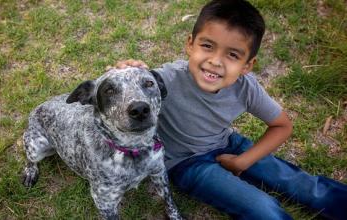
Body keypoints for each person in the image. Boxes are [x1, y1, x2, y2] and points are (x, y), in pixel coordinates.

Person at [115, 0, 347, 219]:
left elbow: (282, 126)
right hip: (186, 163)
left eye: (232, 55)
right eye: (207, 46)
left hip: (228, 144)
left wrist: (242, 162)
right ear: (190, 44)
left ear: (247, 65)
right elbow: (131, 86)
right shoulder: (165, 78)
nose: (216, 61)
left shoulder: (246, 88)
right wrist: (129, 70)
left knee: (304, 186)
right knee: (264, 209)